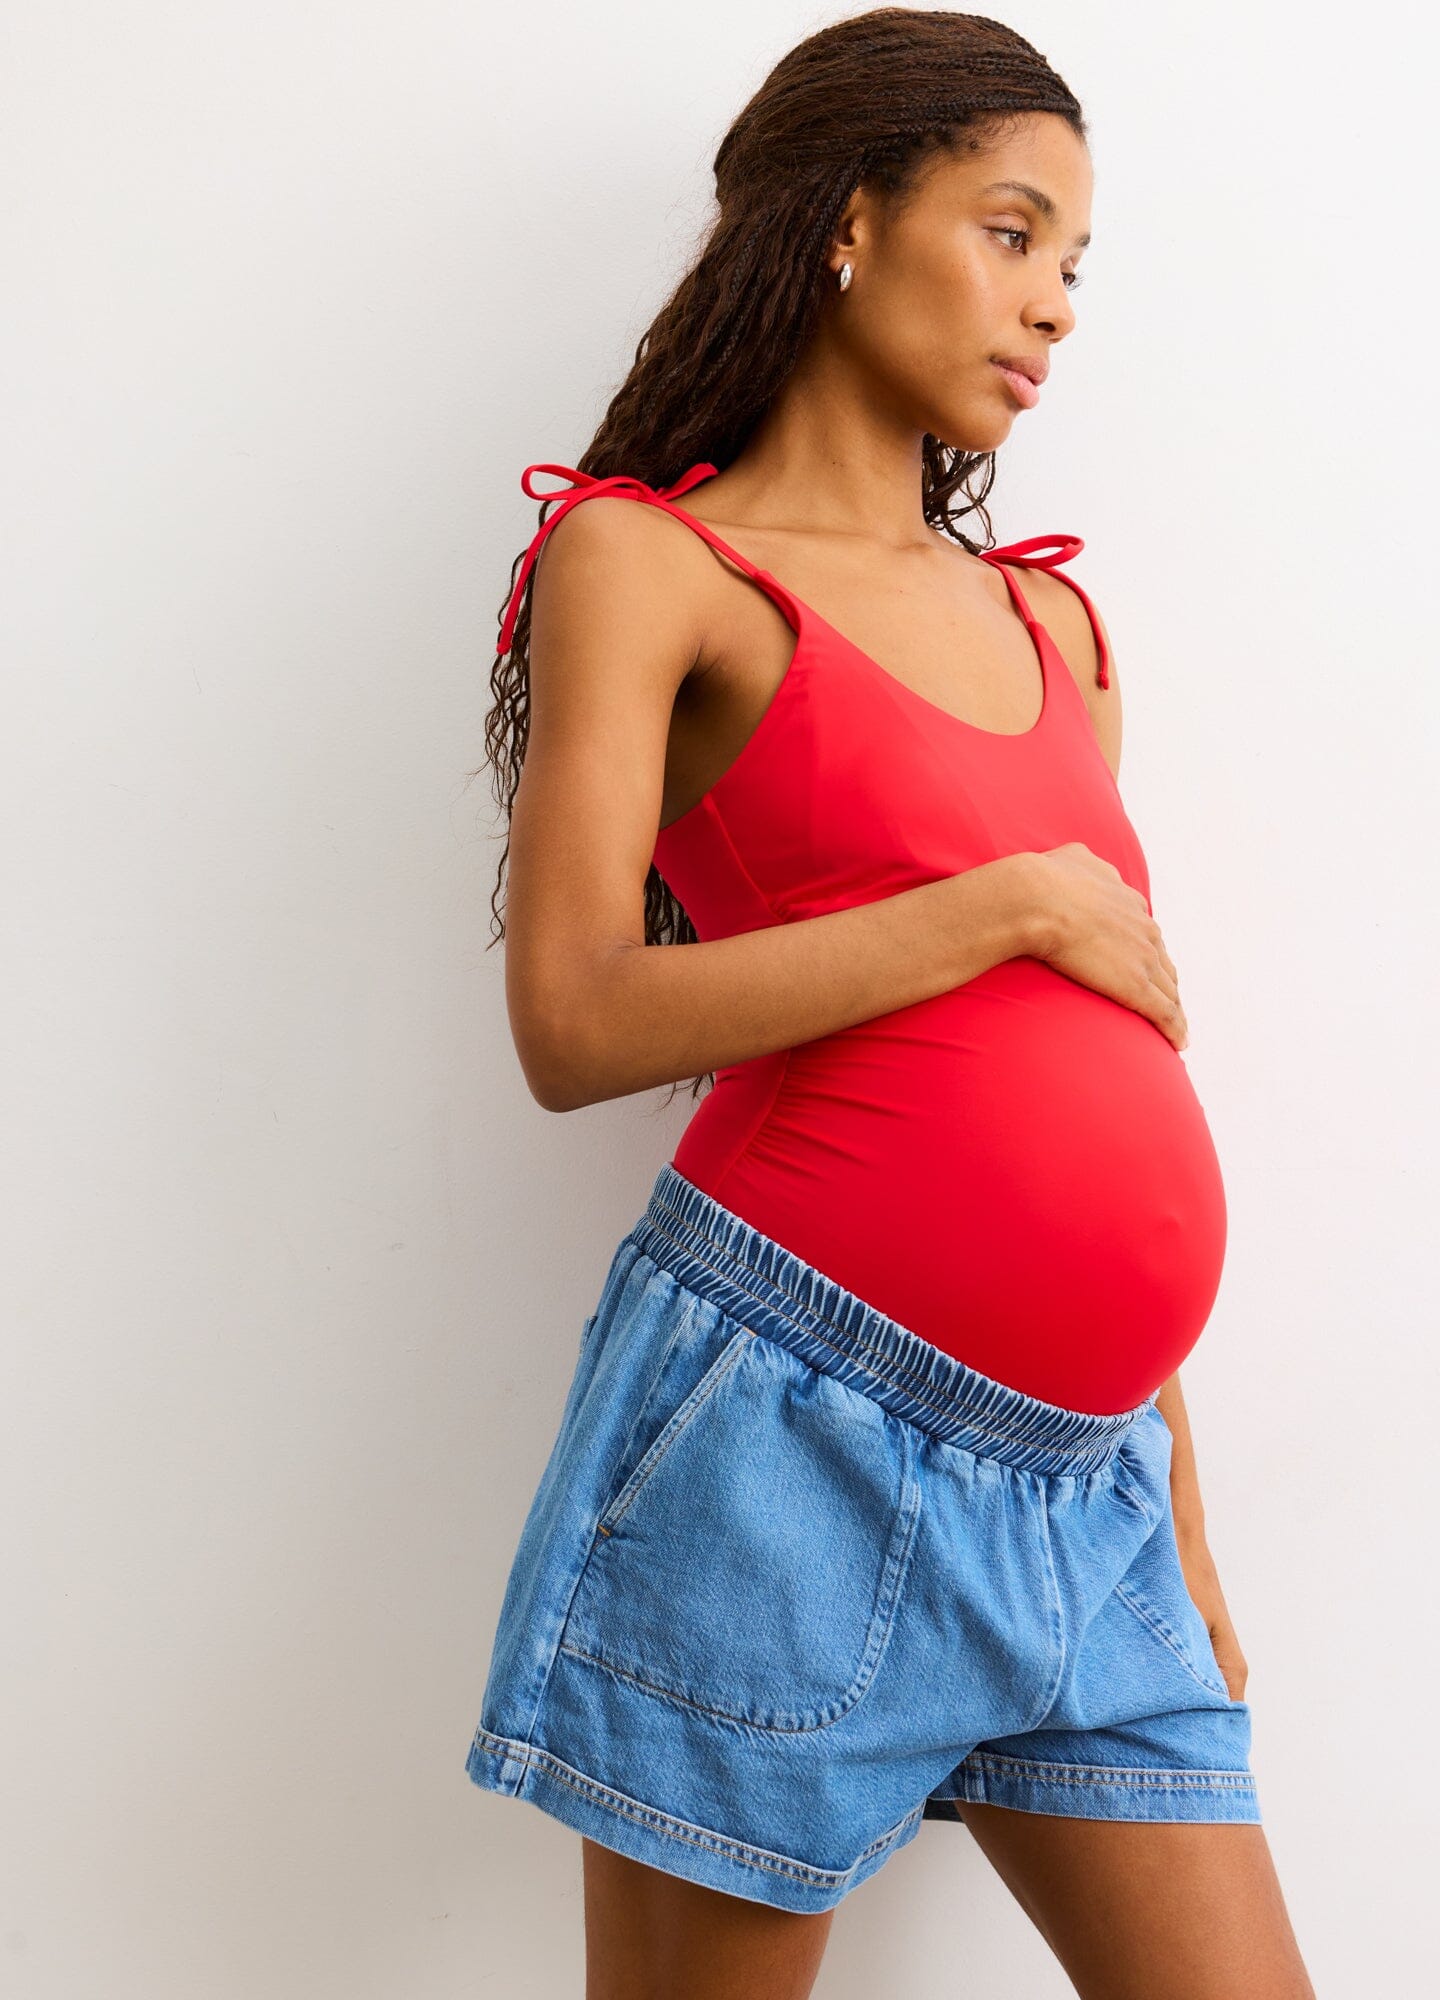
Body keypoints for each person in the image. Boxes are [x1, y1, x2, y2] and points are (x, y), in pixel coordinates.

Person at [463, 9, 1315, 1996]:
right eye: (1013, 234)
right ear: (851, 220)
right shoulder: (649, 565)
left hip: (1088, 1489)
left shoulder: (1055, 621)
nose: (1055, 307)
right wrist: (998, 901)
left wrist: (1177, 1507)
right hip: (788, 1439)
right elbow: (572, 1020)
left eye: (1075, 266)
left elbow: (1107, 1061)